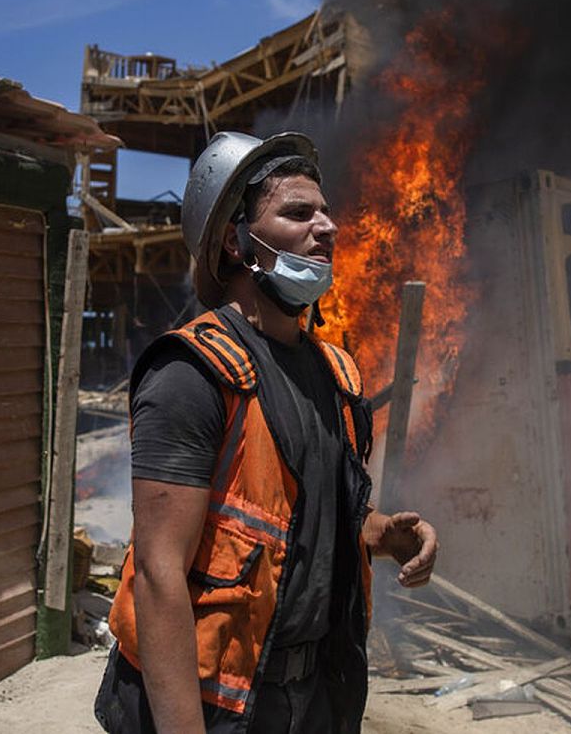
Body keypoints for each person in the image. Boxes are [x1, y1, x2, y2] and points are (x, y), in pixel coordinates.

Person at [95, 131, 439, 734]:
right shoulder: (190, 372)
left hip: (314, 699)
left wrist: (384, 533)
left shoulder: (335, 372)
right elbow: (158, 573)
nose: (327, 227)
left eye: (326, 212)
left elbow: (313, 517)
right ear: (236, 240)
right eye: (299, 213)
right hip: (218, 709)